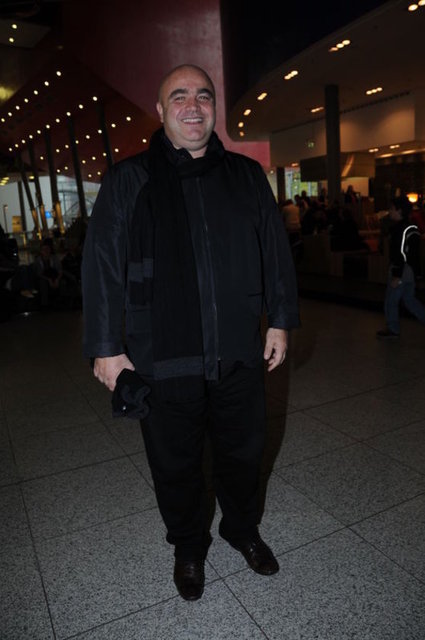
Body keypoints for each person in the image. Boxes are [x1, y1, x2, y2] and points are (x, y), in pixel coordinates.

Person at [81, 64, 300, 601]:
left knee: (244, 453)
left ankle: (241, 529)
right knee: (175, 463)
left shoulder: (246, 176)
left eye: (203, 95)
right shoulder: (129, 179)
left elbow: (274, 251)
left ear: (214, 107)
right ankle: (187, 546)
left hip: (239, 350)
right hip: (163, 355)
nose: (193, 106)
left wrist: (279, 319)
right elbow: (102, 266)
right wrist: (106, 348)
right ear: (161, 110)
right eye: (179, 96)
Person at [376, 195, 425, 339]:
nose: (389, 211)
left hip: (401, 271)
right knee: (410, 300)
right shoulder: (413, 228)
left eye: (392, 209)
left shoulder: (401, 229)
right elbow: (415, 256)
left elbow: (400, 253)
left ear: (400, 211)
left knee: (391, 301)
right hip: (410, 271)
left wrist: (397, 275)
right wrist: (418, 275)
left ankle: (393, 329)